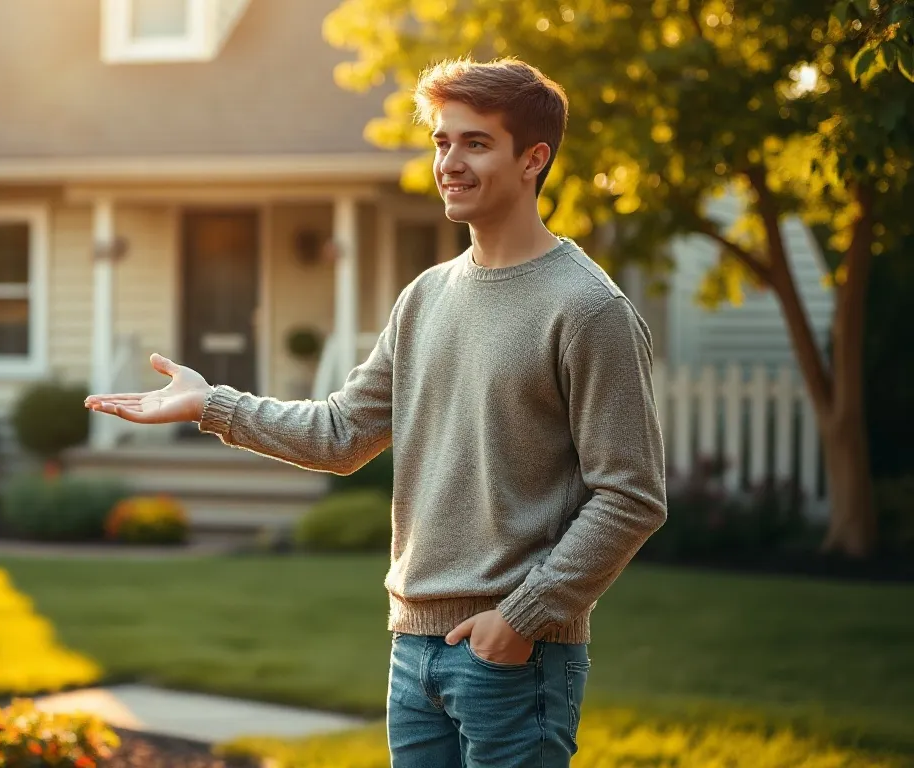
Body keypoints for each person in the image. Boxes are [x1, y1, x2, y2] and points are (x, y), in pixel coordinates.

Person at [84, 56, 667, 768]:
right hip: (413, 653)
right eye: (441, 142)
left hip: (516, 661)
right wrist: (212, 404)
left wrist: (521, 620)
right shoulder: (426, 297)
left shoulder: (587, 310)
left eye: (475, 143)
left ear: (532, 159)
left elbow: (631, 495)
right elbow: (342, 434)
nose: (448, 161)